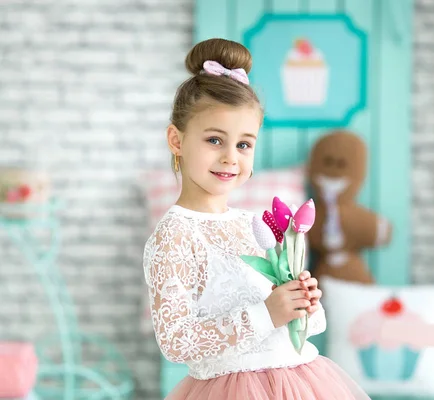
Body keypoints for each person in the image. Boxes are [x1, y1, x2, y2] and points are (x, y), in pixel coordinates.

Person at [142, 38, 370, 399]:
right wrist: (266, 314)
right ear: (176, 140)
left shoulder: (256, 225)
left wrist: (302, 304)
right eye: (215, 140)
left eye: (244, 144)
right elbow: (176, 342)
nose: (231, 157)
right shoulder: (175, 235)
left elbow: (299, 328)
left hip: (299, 381)